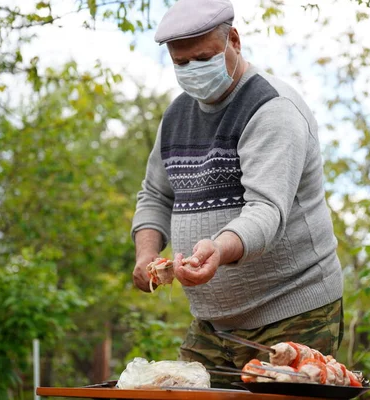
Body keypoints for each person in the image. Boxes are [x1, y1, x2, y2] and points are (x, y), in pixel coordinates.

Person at [130, 0, 344, 388]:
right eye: (182, 64)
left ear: (234, 39)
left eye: (204, 57)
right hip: (212, 322)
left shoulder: (272, 109)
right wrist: (146, 256)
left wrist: (219, 248)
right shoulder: (176, 116)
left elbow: (265, 212)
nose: (193, 71)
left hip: (292, 313)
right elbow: (155, 196)